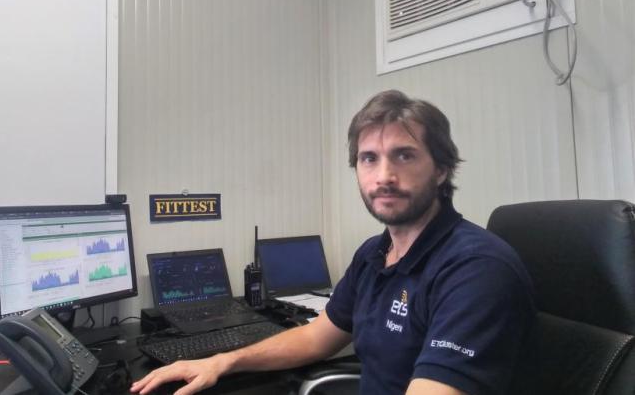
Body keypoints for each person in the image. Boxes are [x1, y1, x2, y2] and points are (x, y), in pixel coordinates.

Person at [131, 90, 535, 395]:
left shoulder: (475, 269)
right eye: (369, 158)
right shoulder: (374, 255)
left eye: (404, 156)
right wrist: (223, 361)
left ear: (442, 169)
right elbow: (315, 337)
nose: (384, 176)